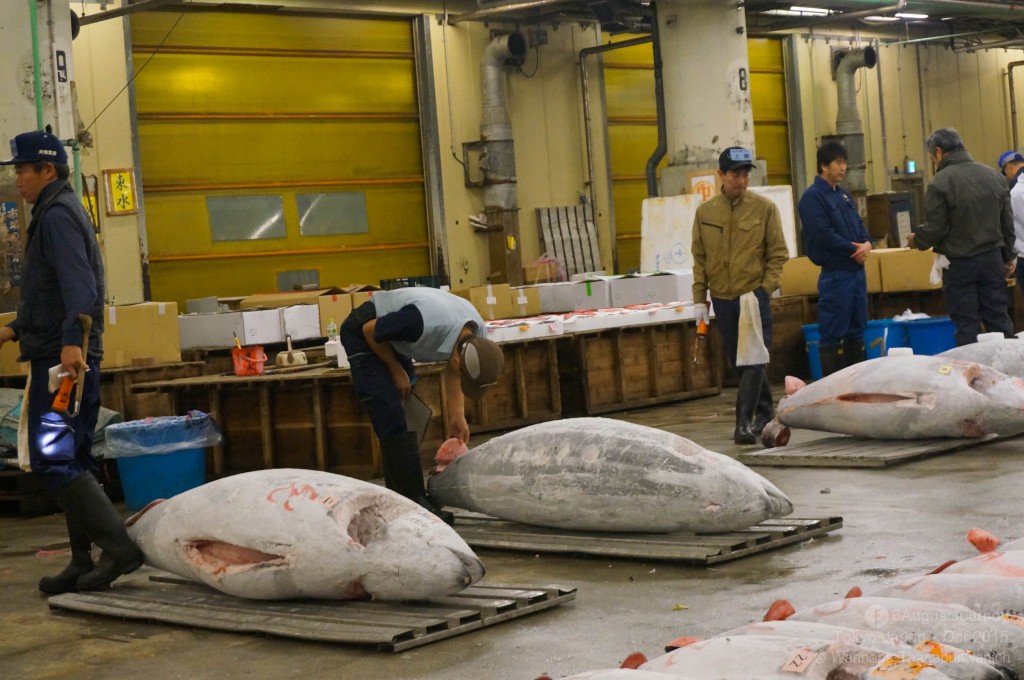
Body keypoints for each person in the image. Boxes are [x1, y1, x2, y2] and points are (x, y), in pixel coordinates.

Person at [0, 128, 143, 594]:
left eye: (22, 169)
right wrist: (14, 329)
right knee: (72, 456)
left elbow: (81, 288)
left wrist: (70, 345)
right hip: (62, 353)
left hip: (64, 363)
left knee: (52, 458)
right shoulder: (54, 211)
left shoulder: (57, 215)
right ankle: (82, 560)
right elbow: (50, 294)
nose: (17, 178)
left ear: (47, 170)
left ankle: (118, 549)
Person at [340, 287, 504, 523]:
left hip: (392, 336)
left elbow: (454, 370)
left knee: (403, 408)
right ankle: (413, 499)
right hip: (365, 331)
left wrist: (457, 416)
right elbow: (370, 330)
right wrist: (395, 370)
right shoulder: (421, 323)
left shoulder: (477, 336)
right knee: (389, 407)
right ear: (458, 357)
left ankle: (401, 494)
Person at [692, 146, 789, 444]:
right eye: (735, 174)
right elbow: (700, 258)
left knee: (755, 360)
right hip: (722, 298)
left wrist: (763, 290)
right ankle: (764, 414)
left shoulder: (764, 208)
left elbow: (778, 254)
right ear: (721, 174)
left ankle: (742, 423)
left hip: (752, 298)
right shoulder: (705, 213)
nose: (742, 180)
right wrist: (699, 298)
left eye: (746, 174)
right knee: (740, 362)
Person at [908, 128, 1016, 346]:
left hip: (960, 266)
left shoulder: (940, 183)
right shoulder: (993, 176)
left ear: (938, 152)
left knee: (967, 326)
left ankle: (972, 379)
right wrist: (1008, 257)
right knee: (999, 320)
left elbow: (936, 228)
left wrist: (917, 239)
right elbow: (1007, 224)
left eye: (932, 158)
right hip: (992, 260)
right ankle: (1015, 375)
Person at [797, 141, 873, 376]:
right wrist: (854, 249)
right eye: (838, 163)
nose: (843, 167)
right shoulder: (812, 198)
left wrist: (868, 244)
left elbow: (860, 226)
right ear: (823, 165)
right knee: (833, 331)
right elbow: (823, 234)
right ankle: (834, 388)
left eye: (844, 162)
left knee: (856, 329)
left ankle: (857, 386)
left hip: (857, 273)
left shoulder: (844, 195)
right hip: (836, 274)